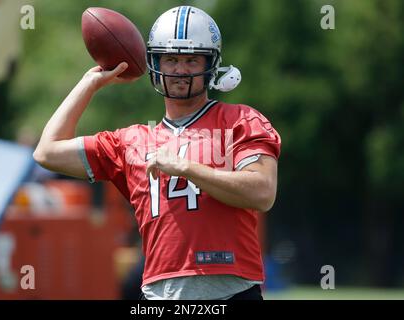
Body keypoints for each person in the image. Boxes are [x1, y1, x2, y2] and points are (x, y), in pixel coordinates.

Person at [34, 6, 281, 300]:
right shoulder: (130, 141)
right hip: (158, 294)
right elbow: (46, 152)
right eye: (171, 59)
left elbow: (262, 192)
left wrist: (187, 168)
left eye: (191, 60)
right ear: (155, 63)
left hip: (231, 291)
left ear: (210, 64)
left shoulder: (239, 120)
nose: (180, 69)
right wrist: (89, 84)